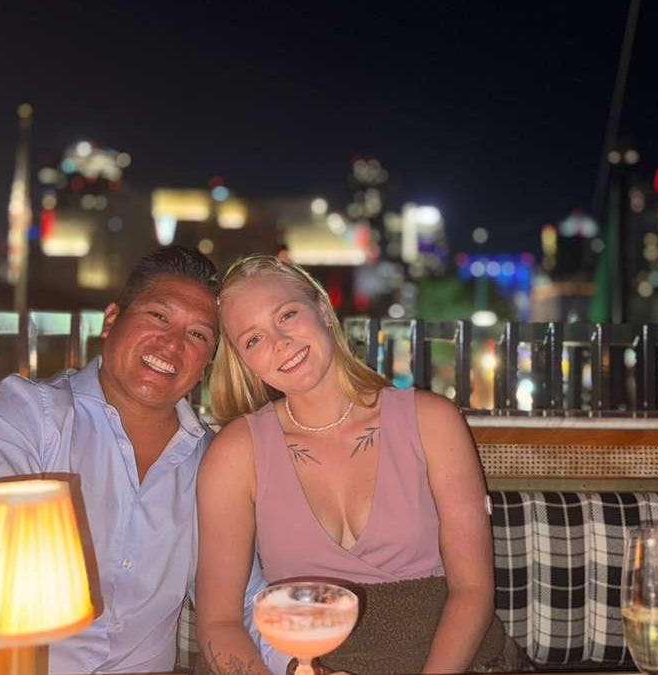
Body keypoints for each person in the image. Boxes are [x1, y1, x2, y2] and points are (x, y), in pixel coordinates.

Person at [0, 247, 288, 675]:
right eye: (159, 316)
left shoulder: (212, 461)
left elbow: (245, 602)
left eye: (198, 335)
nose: (173, 343)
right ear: (112, 319)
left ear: (207, 362)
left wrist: (298, 664)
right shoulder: (23, 417)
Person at [196, 254, 529, 674]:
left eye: (288, 315)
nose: (279, 342)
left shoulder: (432, 421)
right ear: (243, 361)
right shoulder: (235, 454)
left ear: (322, 308)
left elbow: (473, 590)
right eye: (253, 340)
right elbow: (219, 623)